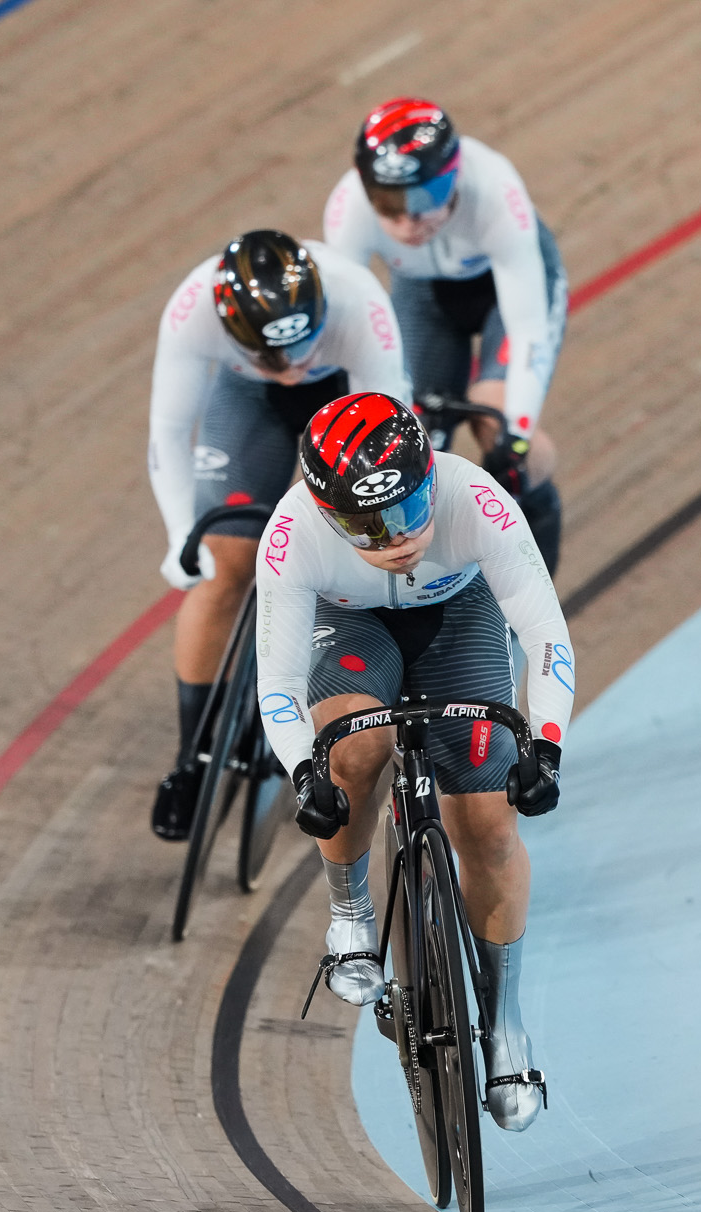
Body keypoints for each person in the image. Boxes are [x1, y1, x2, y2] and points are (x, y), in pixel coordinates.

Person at [254, 391, 572, 1131]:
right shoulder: (292, 532)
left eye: (408, 509)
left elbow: (547, 635)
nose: (397, 539)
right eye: (367, 526)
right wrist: (306, 771)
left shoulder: (475, 499)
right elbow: (278, 681)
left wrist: (546, 745)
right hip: (351, 623)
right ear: (325, 511)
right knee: (354, 747)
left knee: (489, 826)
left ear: (431, 473)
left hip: (457, 614)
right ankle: (351, 910)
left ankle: (505, 1022)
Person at [148, 230, 411, 840]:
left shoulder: (359, 303)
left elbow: (391, 437)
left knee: (351, 551)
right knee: (223, 566)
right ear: (234, 334)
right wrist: (180, 535)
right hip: (250, 402)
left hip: (346, 398)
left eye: (298, 350)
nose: (291, 368)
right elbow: (167, 432)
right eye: (273, 357)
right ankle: (191, 758)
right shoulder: (193, 310)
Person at [322, 98, 568, 574]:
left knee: (495, 421)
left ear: (453, 177)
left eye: (422, 200)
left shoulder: (494, 189)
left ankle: (537, 581)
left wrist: (515, 439)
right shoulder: (348, 209)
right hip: (424, 298)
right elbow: (355, 331)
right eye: (389, 206)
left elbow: (528, 329)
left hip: (504, 294)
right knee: (403, 443)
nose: (406, 223)